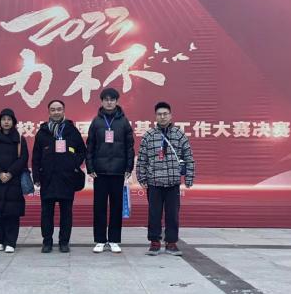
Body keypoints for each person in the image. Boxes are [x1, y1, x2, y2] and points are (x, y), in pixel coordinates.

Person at [136, 102, 195, 256]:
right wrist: (141, 178)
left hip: (173, 182)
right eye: (159, 114)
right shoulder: (149, 135)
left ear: (170, 116)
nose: (162, 117)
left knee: (172, 214)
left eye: (165, 114)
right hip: (154, 182)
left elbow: (188, 157)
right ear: (155, 116)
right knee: (154, 214)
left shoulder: (179, 134)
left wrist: (189, 177)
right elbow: (142, 159)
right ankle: (154, 243)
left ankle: (171, 243)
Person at [32, 99, 86, 253]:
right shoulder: (42, 132)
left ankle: (64, 242)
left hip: (66, 178)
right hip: (47, 178)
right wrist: (37, 177)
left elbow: (82, 151)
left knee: (66, 213)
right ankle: (47, 242)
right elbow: (36, 157)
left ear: (64, 111)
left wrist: (73, 164)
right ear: (49, 112)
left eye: (59, 109)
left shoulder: (71, 131)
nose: (56, 112)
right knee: (46, 213)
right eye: (53, 109)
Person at [86, 88, 135, 253]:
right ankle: (100, 240)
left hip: (118, 171)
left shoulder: (124, 122)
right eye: (106, 99)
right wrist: (90, 167)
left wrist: (129, 167)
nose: (109, 102)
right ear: (101, 101)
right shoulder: (96, 122)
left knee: (116, 207)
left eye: (112, 99)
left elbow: (129, 147)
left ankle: (114, 240)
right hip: (99, 172)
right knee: (99, 207)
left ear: (116, 101)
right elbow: (90, 146)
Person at [0, 108, 29, 253]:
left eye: (9, 119)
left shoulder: (20, 139)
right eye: (4, 119)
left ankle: (11, 242)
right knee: (0, 212)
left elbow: (23, 158)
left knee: (12, 213)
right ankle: (1, 241)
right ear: (0, 122)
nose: (6, 122)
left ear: (13, 122)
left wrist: (9, 173)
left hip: (13, 179)